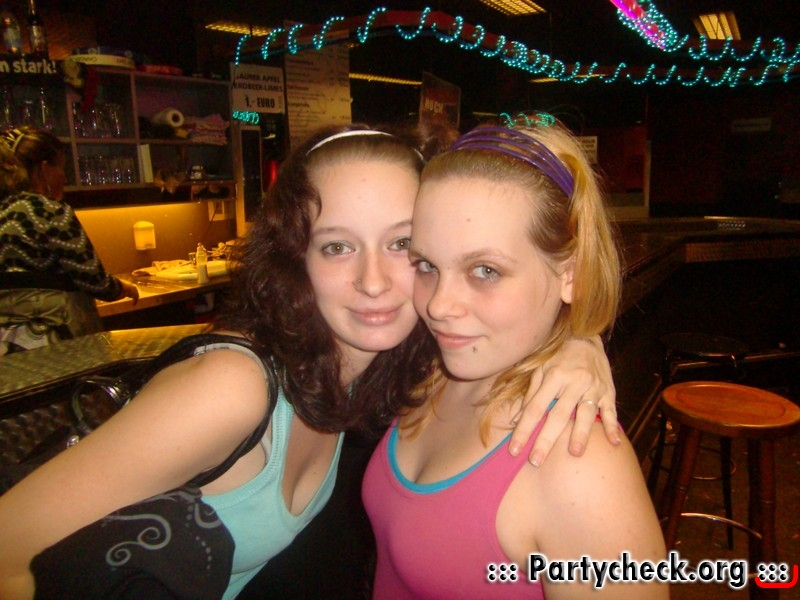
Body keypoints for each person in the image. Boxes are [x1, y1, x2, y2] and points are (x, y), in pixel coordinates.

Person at [0, 124, 617, 600]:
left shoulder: (400, 369)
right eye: (337, 246)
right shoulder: (232, 387)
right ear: (297, 255)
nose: (373, 281)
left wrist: (578, 341)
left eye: (402, 244)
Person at [363, 119, 667, 599]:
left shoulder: (581, 467)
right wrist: (581, 338)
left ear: (570, 274)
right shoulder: (435, 367)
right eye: (426, 265)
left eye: (485, 270)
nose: (439, 305)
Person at [0, 127, 139, 354]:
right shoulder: (48, 211)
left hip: (8, 346)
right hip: (56, 340)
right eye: (61, 168)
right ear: (44, 169)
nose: (65, 177)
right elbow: (94, 280)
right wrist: (121, 288)